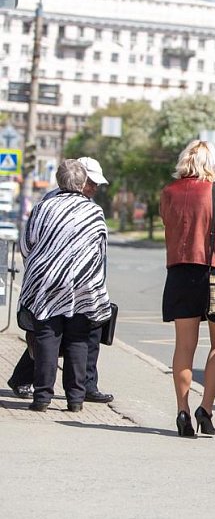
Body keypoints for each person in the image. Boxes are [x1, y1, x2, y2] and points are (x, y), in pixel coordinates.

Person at [161, 139, 215, 437]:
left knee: (183, 347)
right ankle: (206, 408)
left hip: (180, 272)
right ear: (210, 163)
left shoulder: (169, 192)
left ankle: (182, 410)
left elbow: (171, 229)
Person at [6, 157, 114, 403]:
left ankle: (42, 397)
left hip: (45, 285)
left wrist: (42, 268)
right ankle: (75, 399)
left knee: (47, 337)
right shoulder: (94, 211)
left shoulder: (44, 206)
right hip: (81, 286)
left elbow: (26, 244)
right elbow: (100, 252)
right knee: (78, 338)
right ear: (82, 181)